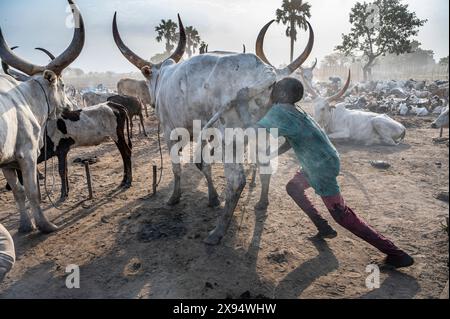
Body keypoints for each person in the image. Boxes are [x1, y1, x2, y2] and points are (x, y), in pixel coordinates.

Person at [236, 77, 414, 268]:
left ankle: (396, 253)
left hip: (320, 166)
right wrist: (274, 153)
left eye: (276, 89)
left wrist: (241, 105)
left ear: (283, 94)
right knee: (293, 188)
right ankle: (323, 226)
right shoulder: (295, 110)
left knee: (341, 215)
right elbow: (291, 138)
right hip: (322, 159)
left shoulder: (280, 112)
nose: (271, 92)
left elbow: (252, 131)